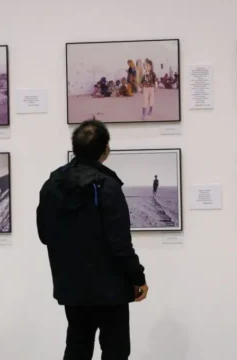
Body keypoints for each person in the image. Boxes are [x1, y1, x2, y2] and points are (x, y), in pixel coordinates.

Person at [36, 119, 148, 360]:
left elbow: (44, 234)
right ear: (105, 149)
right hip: (111, 289)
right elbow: (120, 243)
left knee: (77, 347)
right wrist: (137, 277)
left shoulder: (52, 184)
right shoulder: (107, 185)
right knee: (115, 350)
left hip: (72, 287)